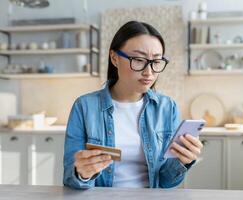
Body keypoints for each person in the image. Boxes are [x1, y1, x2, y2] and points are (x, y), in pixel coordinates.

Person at [63, 21, 203, 189]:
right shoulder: (84, 107)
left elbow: (166, 182)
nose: (149, 72)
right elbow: (70, 179)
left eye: (156, 61)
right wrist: (82, 174)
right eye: (138, 60)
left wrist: (182, 161)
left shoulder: (167, 108)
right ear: (114, 58)